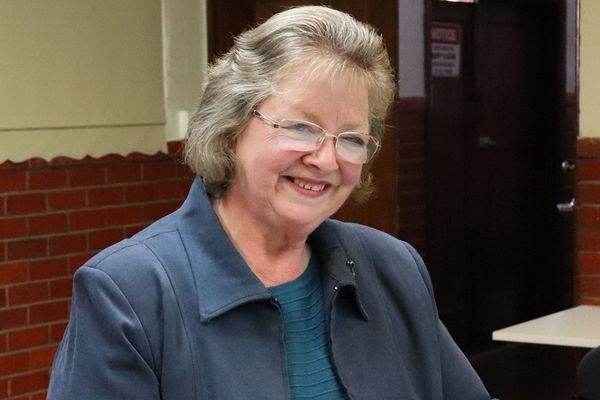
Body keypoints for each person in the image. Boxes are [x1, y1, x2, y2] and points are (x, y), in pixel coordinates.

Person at [48, 5, 494, 400]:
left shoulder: (393, 268)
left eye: (351, 138)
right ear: (231, 126)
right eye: (300, 127)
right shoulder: (129, 292)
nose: (325, 159)